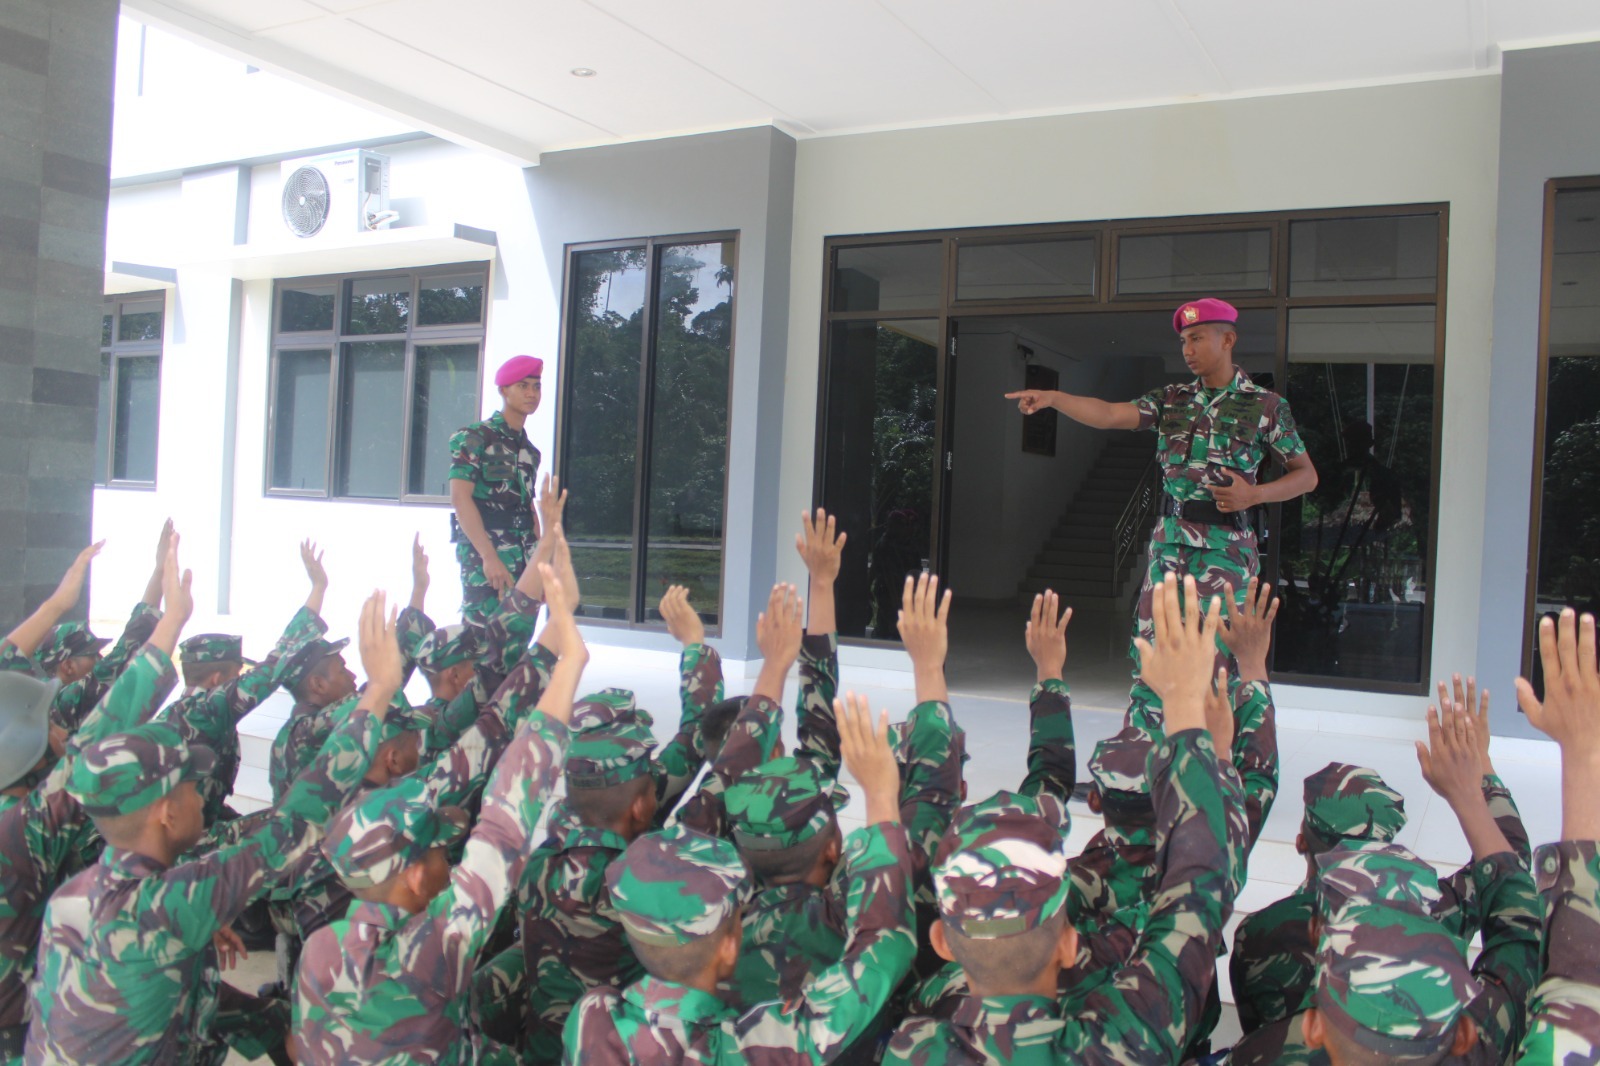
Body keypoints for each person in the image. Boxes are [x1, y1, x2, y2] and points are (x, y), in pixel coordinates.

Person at [24, 559, 398, 1066]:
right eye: (188, 786)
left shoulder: (71, 898)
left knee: (255, 1015)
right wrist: (379, 690)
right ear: (164, 813)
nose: (200, 796)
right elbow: (294, 822)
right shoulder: (171, 904)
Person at [291, 563, 586, 1065]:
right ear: (410, 876)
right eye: (436, 852)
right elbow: (504, 822)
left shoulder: (321, 949)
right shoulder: (431, 952)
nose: (447, 864)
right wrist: (571, 660)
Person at [1006, 297, 1317, 725]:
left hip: (1226, 551)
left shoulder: (1265, 406)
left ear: (1228, 340)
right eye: (1183, 341)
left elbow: (1306, 476)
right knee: (1151, 659)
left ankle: (1214, 758)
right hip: (1169, 547)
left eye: (1197, 338)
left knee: (1219, 665)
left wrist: (1255, 495)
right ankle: (1142, 755)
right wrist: (1054, 398)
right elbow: (1111, 414)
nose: (1187, 350)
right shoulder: (1172, 399)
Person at [561, 691, 915, 1064]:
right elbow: (885, 948)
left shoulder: (591, 1020)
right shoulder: (750, 1048)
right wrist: (880, 795)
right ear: (730, 946)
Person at [449, 354, 543, 626]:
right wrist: (489, 557)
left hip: (524, 556)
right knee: (482, 636)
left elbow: (529, 507)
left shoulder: (530, 451)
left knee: (517, 636)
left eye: (536, 386)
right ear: (503, 390)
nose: (531, 393)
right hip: (487, 555)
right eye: (523, 386)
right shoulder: (475, 437)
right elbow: (460, 498)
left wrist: (540, 564)